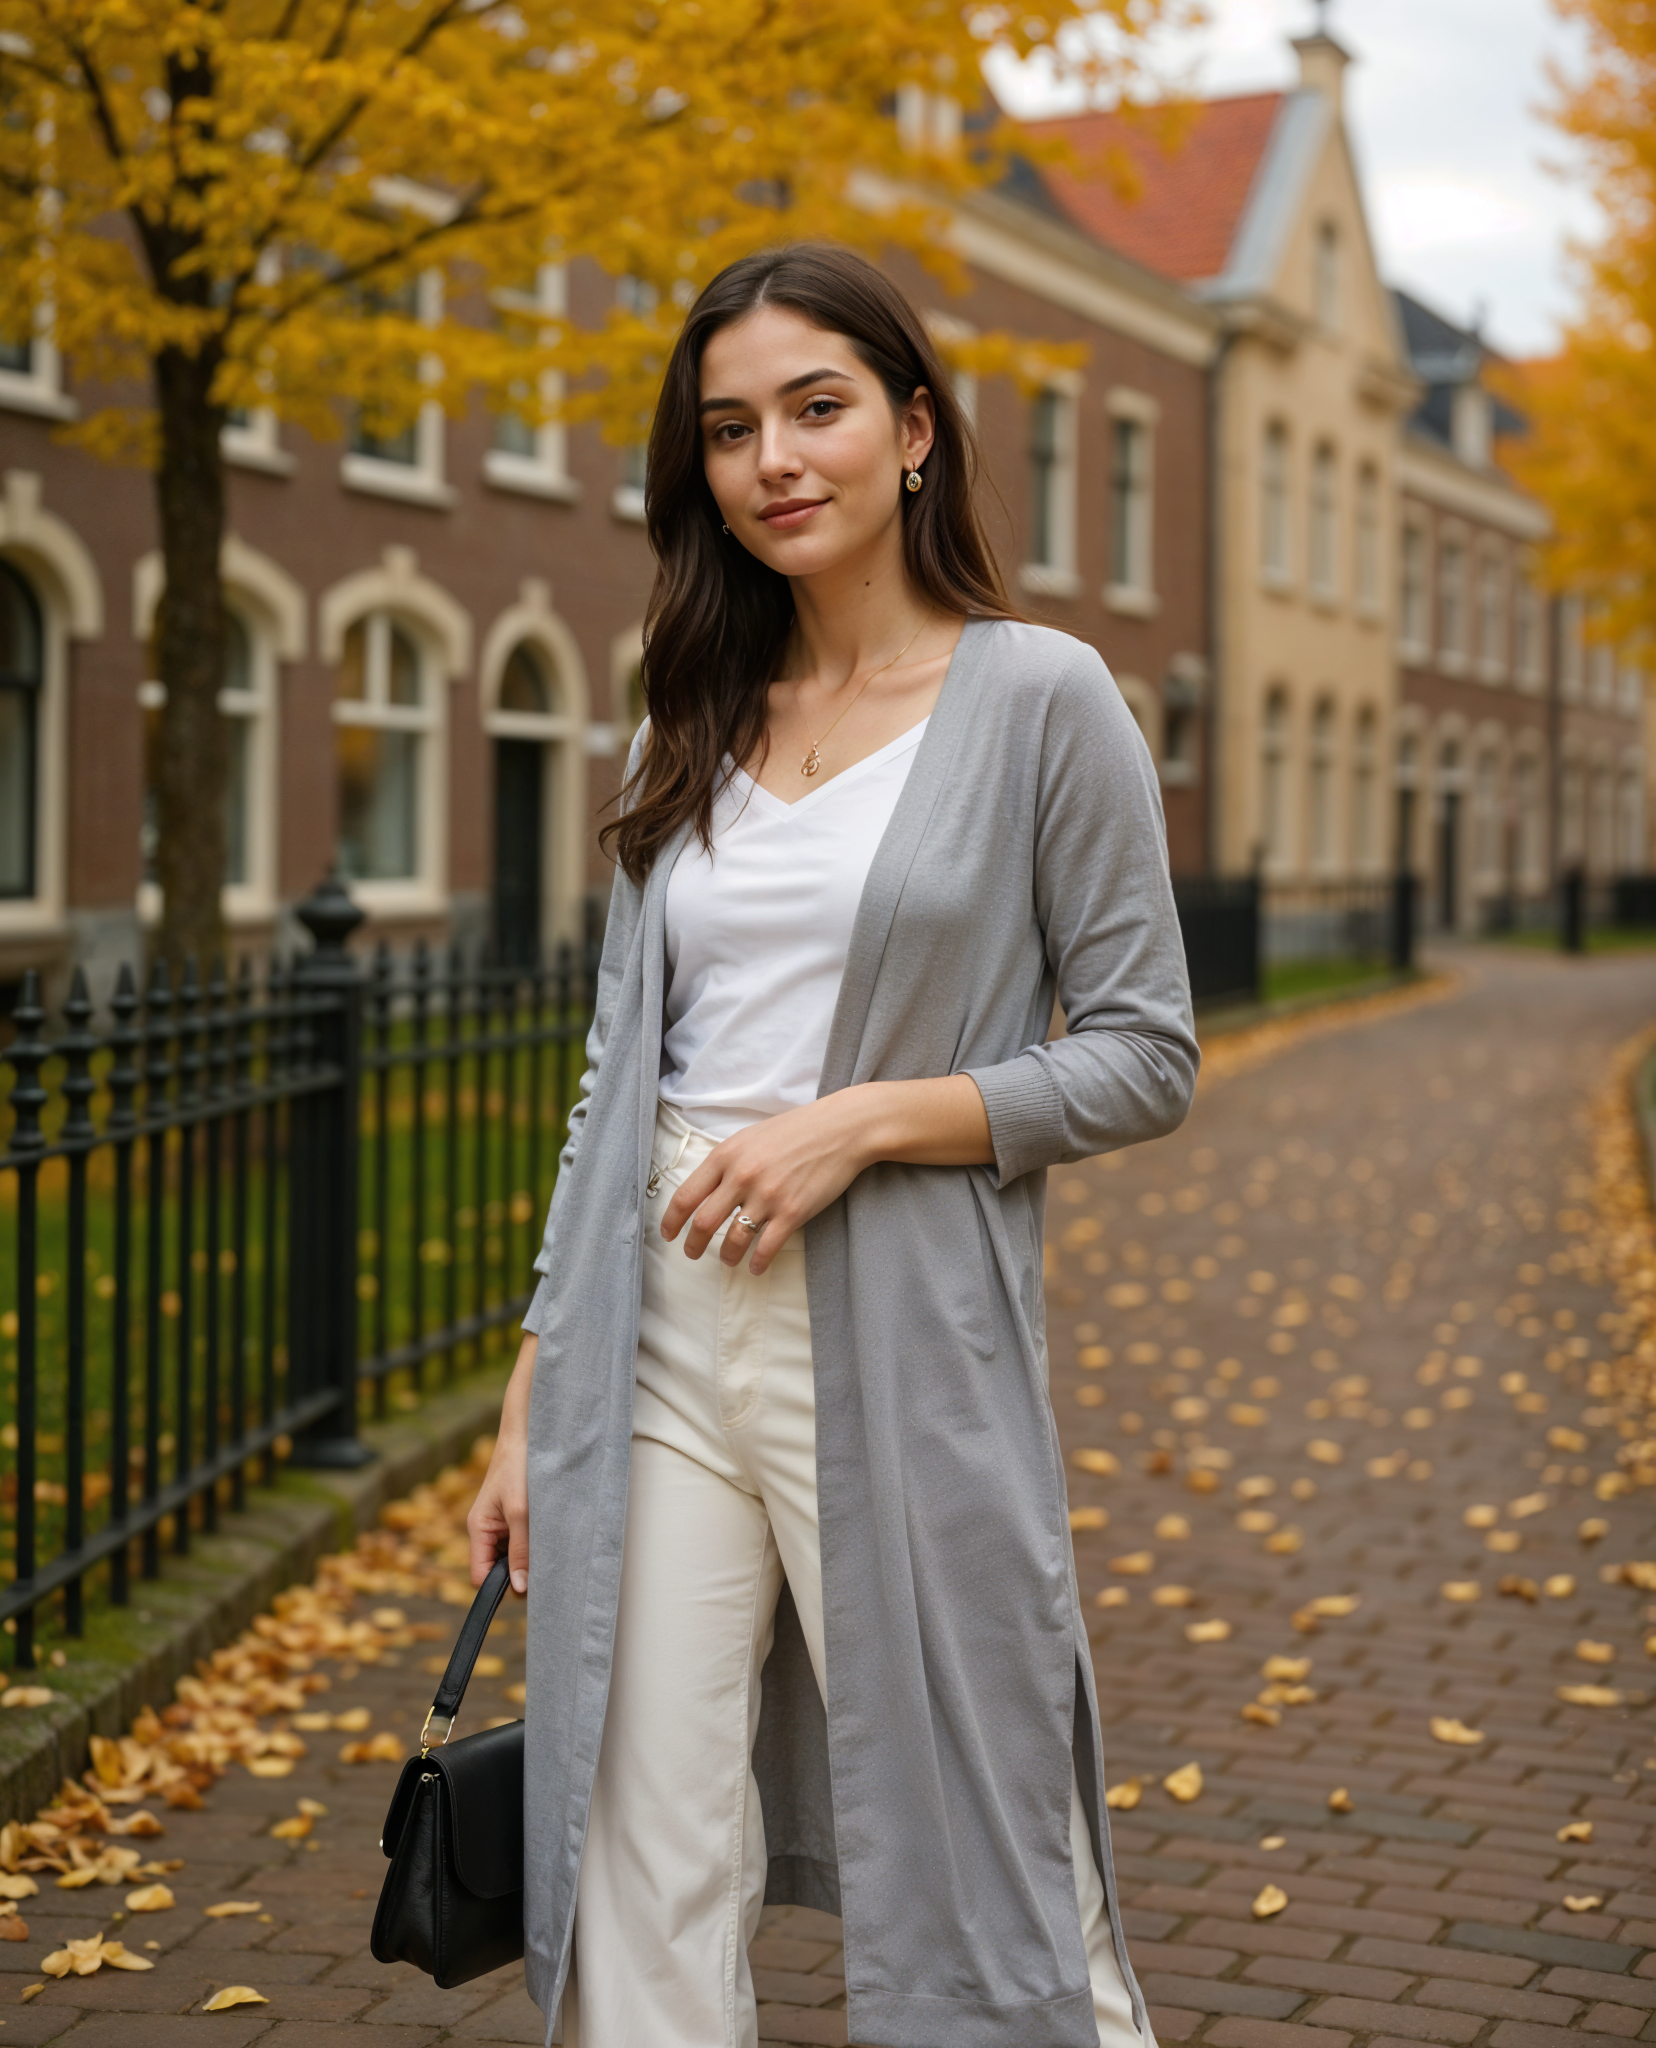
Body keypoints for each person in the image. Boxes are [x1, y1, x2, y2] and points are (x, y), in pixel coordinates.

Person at [466, 241, 1199, 2048]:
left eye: (817, 408)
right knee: (635, 1828)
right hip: (655, 1326)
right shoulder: (691, 711)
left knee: (979, 1811)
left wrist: (861, 1125)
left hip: (892, 1330)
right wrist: (537, 1381)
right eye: (731, 429)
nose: (775, 460)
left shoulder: (1043, 700)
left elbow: (1144, 1055)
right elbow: (616, 1078)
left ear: (915, 429)